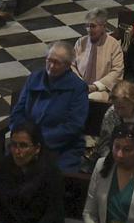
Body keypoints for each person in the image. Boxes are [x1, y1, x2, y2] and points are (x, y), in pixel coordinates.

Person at [7, 40, 90, 171]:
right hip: (26, 142)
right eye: (48, 60)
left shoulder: (78, 88)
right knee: (7, 169)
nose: (51, 66)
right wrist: (23, 137)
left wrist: (38, 141)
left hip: (61, 147)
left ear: (68, 65)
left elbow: (74, 126)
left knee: (51, 177)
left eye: (57, 63)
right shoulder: (34, 78)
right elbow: (18, 112)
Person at [72, 13, 125, 104]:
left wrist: (95, 86)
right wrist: (80, 83)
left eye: (93, 26)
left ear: (103, 27)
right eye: (87, 26)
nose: (89, 30)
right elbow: (71, 65)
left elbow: (117, 71)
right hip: (79, 86)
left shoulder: (113, 45)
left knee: (91, 99)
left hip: (103, 89)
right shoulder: (81, 42)